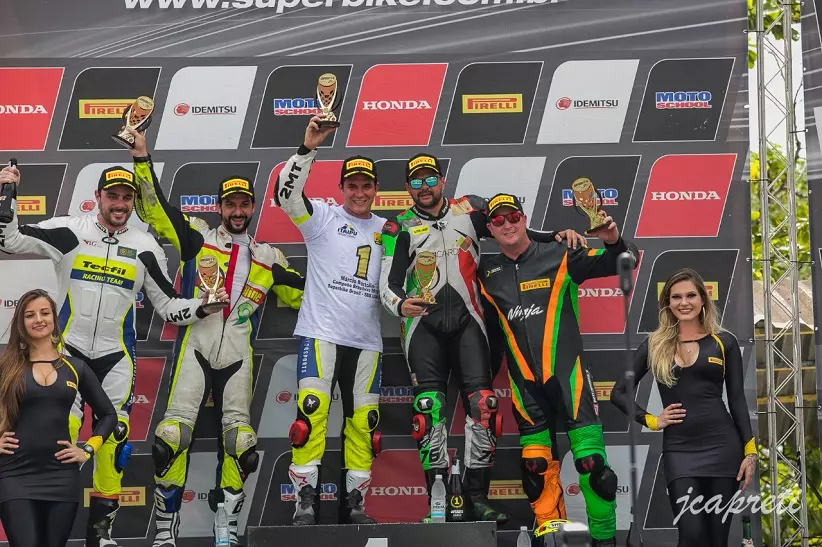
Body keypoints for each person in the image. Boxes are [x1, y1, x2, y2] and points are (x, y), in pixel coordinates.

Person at [0, 163, 226, 547]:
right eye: (113, 196)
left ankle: (100, 530)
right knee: (61, 431)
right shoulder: (71, 230)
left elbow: (169, 306)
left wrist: (202, 306)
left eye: (126, 197)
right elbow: (11, 240)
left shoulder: (146, 246)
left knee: (115, 436)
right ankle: (42, 515)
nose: (119, 204)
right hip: (67, 352)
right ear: (99, 197)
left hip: (115, 354)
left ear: (133, 202)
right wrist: (8, 195)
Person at [379, 161, 585, 524]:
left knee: (484, 406)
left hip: (469, 324)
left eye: (430, 178)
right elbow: (387, 282)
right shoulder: (398, 226)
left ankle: (476, 497)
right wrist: (399, 304)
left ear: (442, 180)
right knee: (428, 409)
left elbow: (515, 229)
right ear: (407, 188)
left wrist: (556, 235)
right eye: (416, 181)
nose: (424, 187)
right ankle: (438, 501)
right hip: (422, 328)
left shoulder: (470, 210)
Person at [126, 130, 305, 546]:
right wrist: (142, 157)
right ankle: (166, 529)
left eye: (244, 204)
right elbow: (153, 209)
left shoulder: (269, 258)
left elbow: (307, 295)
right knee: (171, 437)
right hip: (196, 346)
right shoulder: (197, 238)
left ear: (253, 207)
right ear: (219, 207)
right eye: (230, 204)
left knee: (241, 443)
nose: (237, 211)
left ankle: (225, 527)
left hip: (238, 354)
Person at [477, 193, 639, 546]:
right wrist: (483, 381)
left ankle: (605, 540)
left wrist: (612, 239)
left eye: (513, 216)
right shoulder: (486, 274)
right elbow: (490, 334)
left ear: (524, 219)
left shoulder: (560, 253)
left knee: (592, 465)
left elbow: (626, 261)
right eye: (499, 220)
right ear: (490, 227)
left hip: (570, 380)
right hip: (525, 387)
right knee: (535, 470)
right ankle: (551, 539)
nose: (507, 224)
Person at [274, 115, 386, 526]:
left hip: (367, 341)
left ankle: (355, 503)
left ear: (376, 189)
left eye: (366, 185)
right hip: (322, 334)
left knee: (365, 423)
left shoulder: (389, 230)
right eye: (352, 185)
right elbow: (286, 195)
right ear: (342, 189)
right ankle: (305, 501)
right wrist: (307, 148)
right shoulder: (321, 217)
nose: (359, 192)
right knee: (311, 412)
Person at [610, 268, 755, 547]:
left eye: (691, 295)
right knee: (691, 535)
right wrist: (651, 420)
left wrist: (749, 452)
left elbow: (737, 399)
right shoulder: (654, 344)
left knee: (717, 539)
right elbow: (618, 393)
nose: (684, 302)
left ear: (703, 300)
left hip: (723, 448)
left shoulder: (724, 342)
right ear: (667, 303)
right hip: (680, 450)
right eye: (676, 297)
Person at [0, 289, 118, 547]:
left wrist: (88, 449)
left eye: (44, 313)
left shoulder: (76, 367)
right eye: (30, 315)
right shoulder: (6, 365)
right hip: (14, 474)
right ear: (21, 322)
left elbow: (109, 415)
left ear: (54, 318)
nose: (38, 320)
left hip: (61, 477)